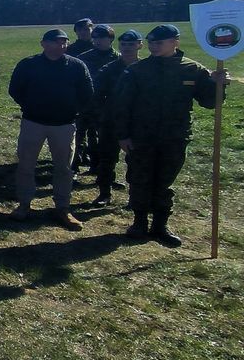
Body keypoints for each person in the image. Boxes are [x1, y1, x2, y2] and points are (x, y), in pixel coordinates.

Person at [114, 24, 228, 246]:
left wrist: (218, 85)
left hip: (174, 137)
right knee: (140, 179)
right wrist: (123, 135)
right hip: (142, 137)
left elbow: (209, 102)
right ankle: (139, 223)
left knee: (164, 182)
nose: (154, 46)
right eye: (151, 42)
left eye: (159, 42)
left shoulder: (192, 69)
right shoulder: (137, 70)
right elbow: (122, 105)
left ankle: (160, 226)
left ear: (175, 42)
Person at [7, 28, 93, 229]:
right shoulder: (28, 64)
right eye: (56, 42)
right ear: (44, 44)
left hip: (64, 125)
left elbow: (87, 92)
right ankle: (24, 204)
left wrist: (72, 110)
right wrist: (30, 106)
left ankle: (63, 208)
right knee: (26, 165)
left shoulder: (76, 66)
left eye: (64, 42)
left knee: (64, 168)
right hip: (33, 122)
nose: (61, 45)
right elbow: (15, 89)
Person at [90, 29, 143, 206]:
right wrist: (101, 116)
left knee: (136, 161)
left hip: (137, 123)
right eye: (123, 44)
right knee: (107, 159)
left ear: (140, 45)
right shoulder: (109, 69)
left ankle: (134, 197)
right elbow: (96, 95)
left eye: (131, 44)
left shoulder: (146, 69)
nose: (127, 48)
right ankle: (104, 193)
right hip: (111, 122)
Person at [75, 24, 119, 171]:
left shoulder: (118, 59)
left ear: (111, 39)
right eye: (95, 38)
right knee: (78, 136)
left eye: (102, 38)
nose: (97, 41)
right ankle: (74, 166)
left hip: (105, 106)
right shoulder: (83, 58)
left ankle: (96, 166)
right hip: (85, 104)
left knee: (100, 137)